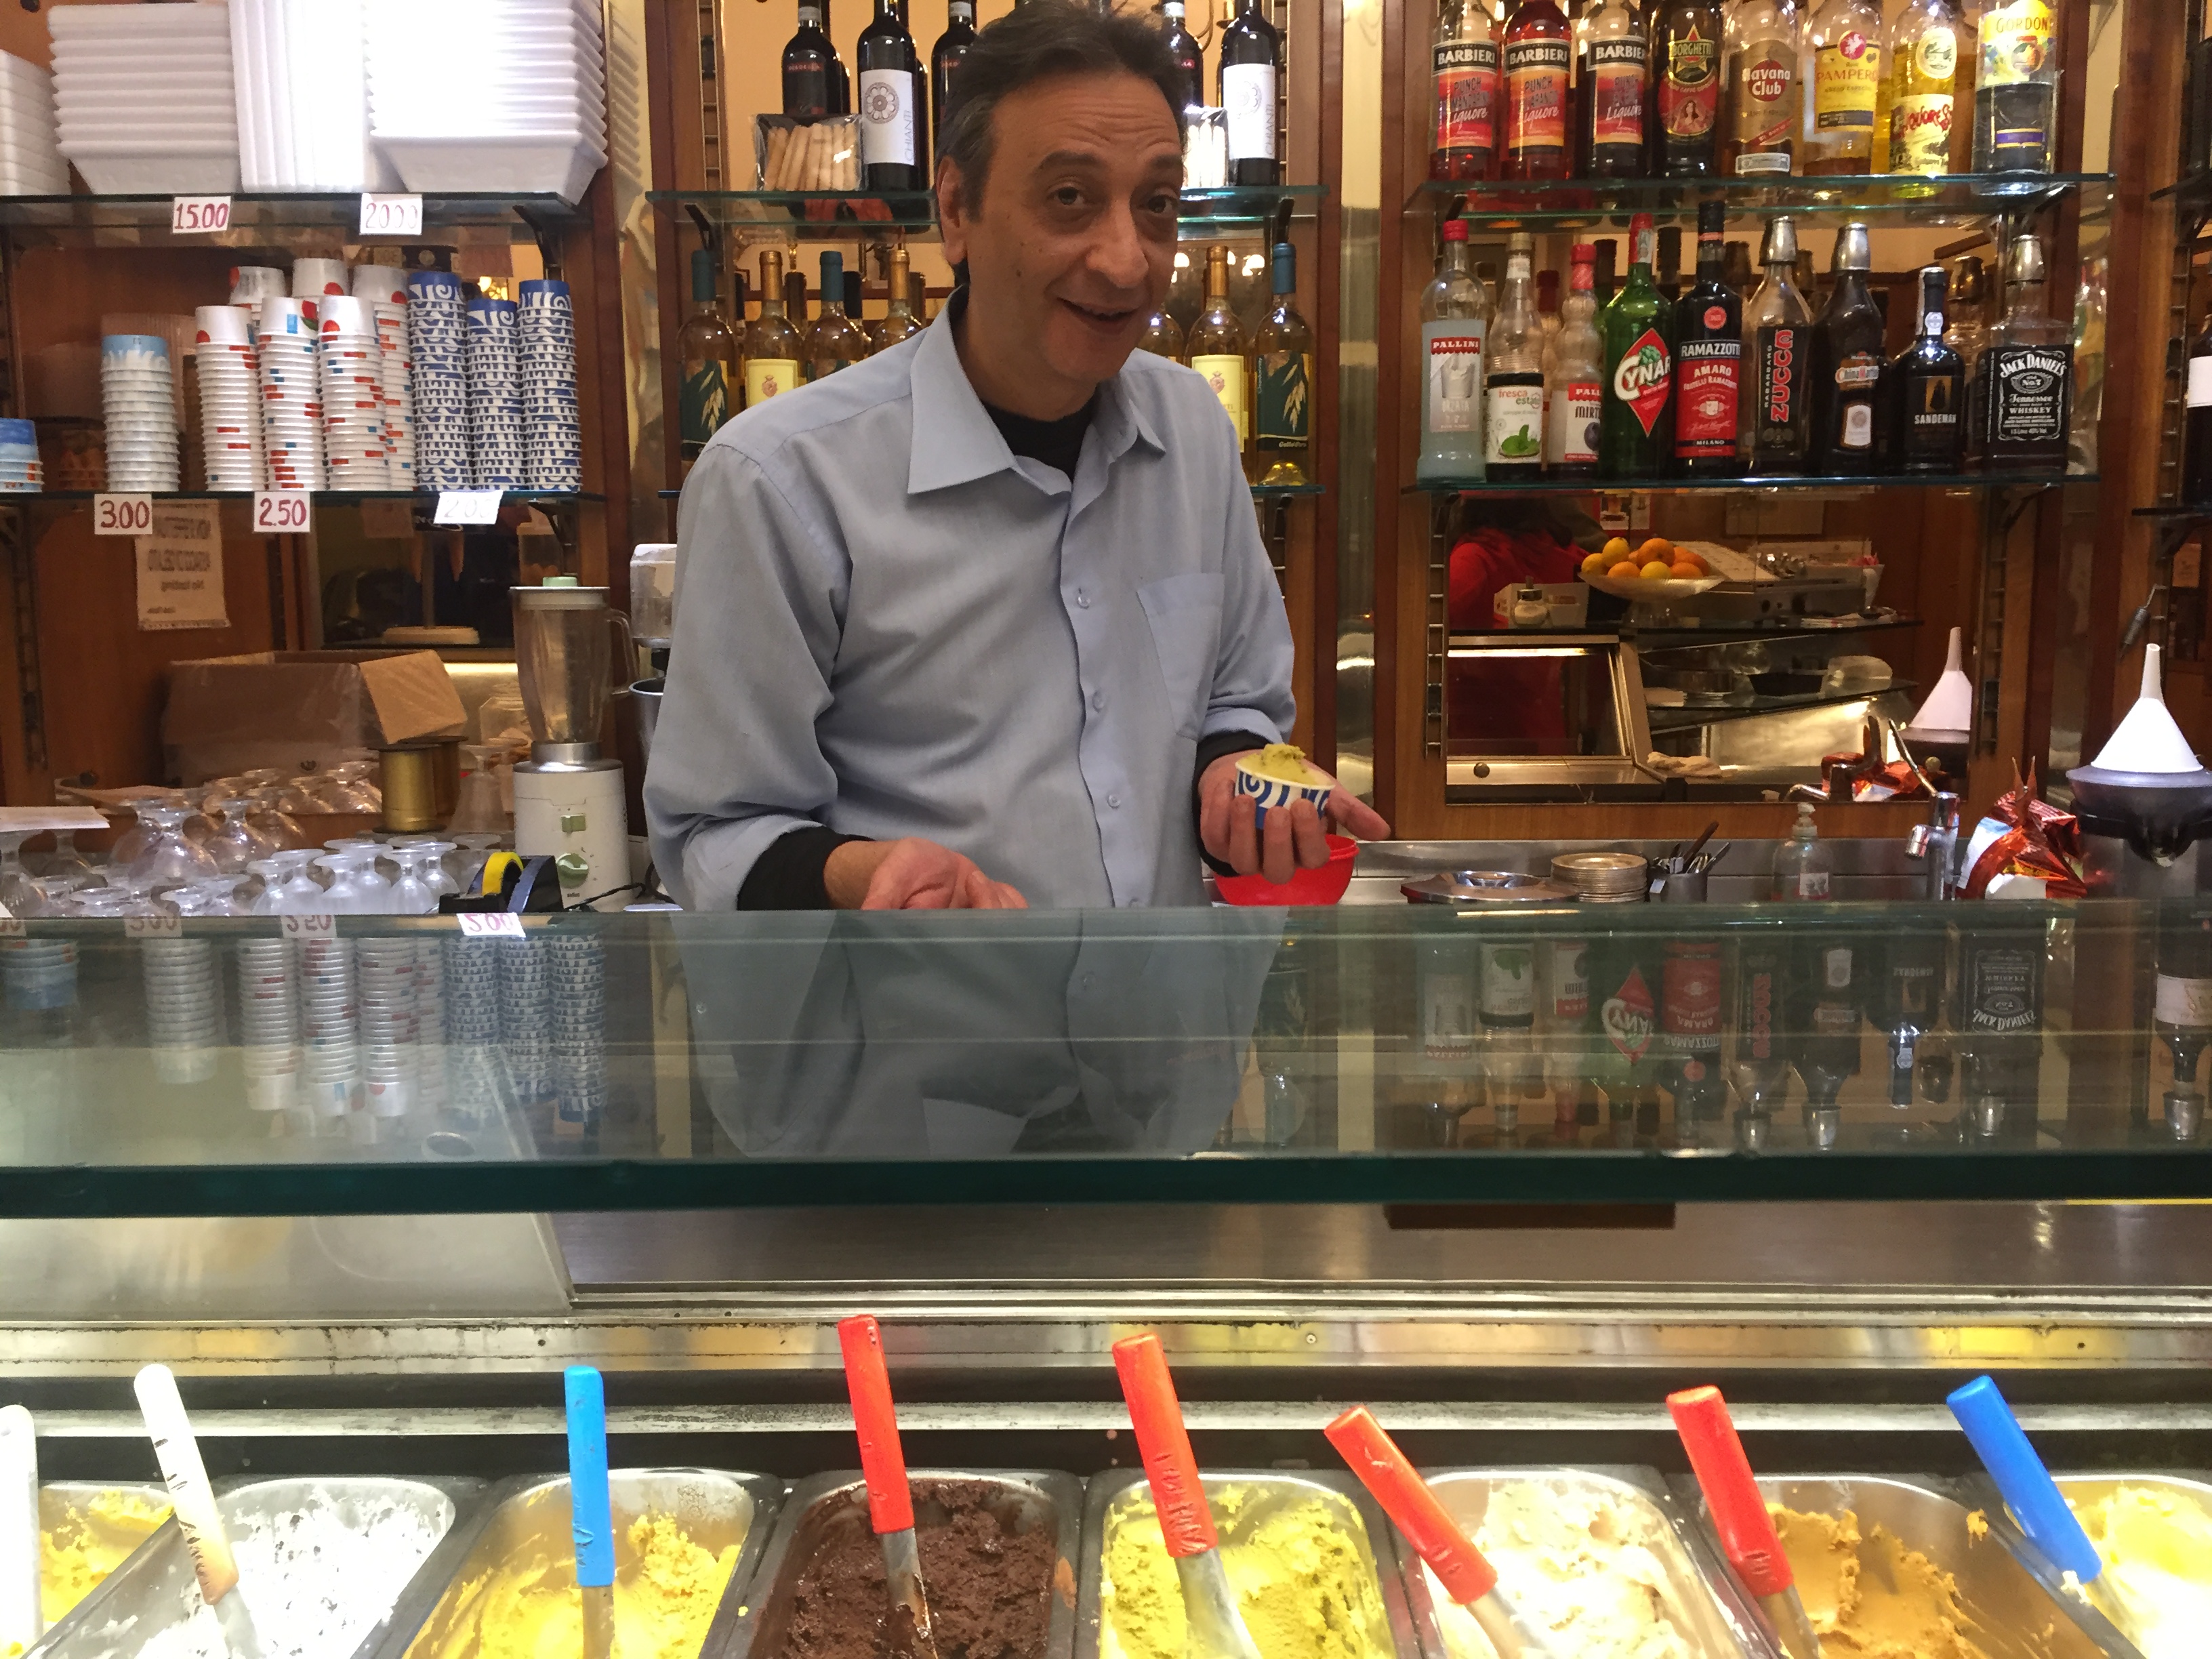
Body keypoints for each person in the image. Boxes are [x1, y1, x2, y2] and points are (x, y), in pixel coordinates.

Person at [646, 0, 1385, 912]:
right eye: (1069, 198)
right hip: (926, 1043)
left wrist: (1232, 769)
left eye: (1156, 203)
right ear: (957, 210)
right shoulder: (783, 479)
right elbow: (712, 834)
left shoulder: (1193, 428)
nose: (1125, 261)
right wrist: (858, 875)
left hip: (1160, 1040)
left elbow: (1236, 697)